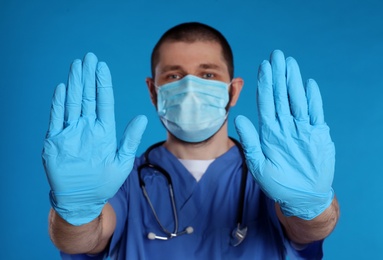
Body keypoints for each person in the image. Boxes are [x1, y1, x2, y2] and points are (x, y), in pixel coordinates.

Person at [42, 22, 340, 259]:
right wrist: (76, 211)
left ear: (233, 91)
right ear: (153, 90)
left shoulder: (273, 175)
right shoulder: (120, 177)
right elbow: (82, 242)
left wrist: (311, 207)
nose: (191, 88)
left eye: (207, 74)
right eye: (174, 76)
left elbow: (309, 233)